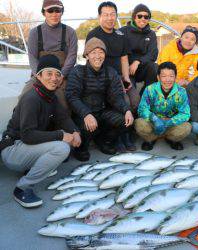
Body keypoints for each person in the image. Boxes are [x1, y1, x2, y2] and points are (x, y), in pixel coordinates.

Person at [0, 55, 81, 208]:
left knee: (65, 143)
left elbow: (63, 118)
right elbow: (28, 135)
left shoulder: (50, 96)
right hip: (12, 149)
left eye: (57, 74)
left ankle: (31, 168)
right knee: (62, 147)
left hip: (24, 146)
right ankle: (22, 188)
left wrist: (75, 131)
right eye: (49, 74)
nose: (54, 78)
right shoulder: (32, 98)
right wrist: (62, 135)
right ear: (38, 76)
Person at [65, 37, 134, 161]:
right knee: (87, 127)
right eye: (93, 52)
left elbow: (116, 97)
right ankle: (82, 147)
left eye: (101, 52)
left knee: (126, 120)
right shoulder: (77, 71)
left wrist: (127, 110)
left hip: (102, 111)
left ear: (105, 55)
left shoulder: (110, 72)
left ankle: (104, 141)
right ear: (87, 55)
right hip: (82, 115)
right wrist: (86, 114)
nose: (98, 56)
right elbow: (72, 96)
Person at [86, 1, 139, 151]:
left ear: (116, 16)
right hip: (103, 79)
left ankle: (127, 131)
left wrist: (126, 79)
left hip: (120, 77)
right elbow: (91, 61)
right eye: (106, 14)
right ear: (99, 17)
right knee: (125, 100)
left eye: (112, 14)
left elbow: (124, 58)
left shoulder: (120, 35)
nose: (110, 18)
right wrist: (115, 81)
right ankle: (119, 137)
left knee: (135, 100)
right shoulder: (93, 35)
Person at [20, 0, 78, 109]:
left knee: (62, 101)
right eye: (50, 11)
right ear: (44, 13)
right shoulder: (34, 32)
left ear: (62, 12)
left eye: (58, 10)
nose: (54, 14)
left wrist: (61, 75)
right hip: (40, 75)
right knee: (25, 97)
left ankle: (61, 125)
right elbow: (32, 57)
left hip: (62, 75)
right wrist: (41, 77)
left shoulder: (70, 32)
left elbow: (72, 57)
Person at [135, 62, 191, 151]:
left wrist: (169, 121)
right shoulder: (150, 89)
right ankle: (150, 139)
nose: (167, 79)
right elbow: (142, 109)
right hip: (153, 123)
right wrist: (154, 118)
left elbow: (185, 113)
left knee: (186, 127)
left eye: (171, 76)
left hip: (171, 124)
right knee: (139, 124)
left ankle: (171, 139)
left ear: (175, 77)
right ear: (158, 77)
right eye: (164, 76)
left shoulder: (181, 91)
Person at [120, 4, 158, 95]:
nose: (143, 19)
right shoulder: (123, 31)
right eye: (140, 16)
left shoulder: (151, 34)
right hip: (126, 69)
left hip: (142, 66)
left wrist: (138, 61)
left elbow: (153, 53)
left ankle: (146, 95)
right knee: (132, 98)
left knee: (154, 67)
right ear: (134, 17)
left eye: (146, 17)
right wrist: (127, 67)